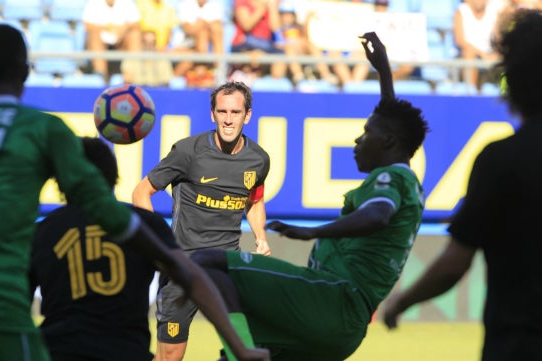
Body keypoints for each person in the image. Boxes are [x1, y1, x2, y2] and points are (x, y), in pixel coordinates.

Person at [0, 23, 251, 361]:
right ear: (25, 71)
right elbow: (97, 203)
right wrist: (164, 252)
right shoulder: (43, 130)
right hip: (2, 315)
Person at [192, 32, 429, 361]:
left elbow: (378, 215)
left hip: (331, 299)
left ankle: (241, 351)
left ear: (387, 141)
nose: (358, 141)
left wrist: (315, 231)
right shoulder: (408, 180)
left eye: (366, 134)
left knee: (206, 262)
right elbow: (392, 124)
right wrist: (384, 72)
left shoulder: (390, 178)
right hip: (342, 327)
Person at [383, 10, 542, 361]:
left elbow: (456, 263)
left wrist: (401, 301)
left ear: (510, 78)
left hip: (518, 344)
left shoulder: (501, 159)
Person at [29, 137, 271, 361]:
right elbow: (194, 279)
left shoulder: (44, 233)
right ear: (114, 178)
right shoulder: (142, 226)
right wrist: (239, 347)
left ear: (61, 181)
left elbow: (11, 307)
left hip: (58, 351)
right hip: (125, 351)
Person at [132, 80, 272, 361]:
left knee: (244, 349)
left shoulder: (258, 159)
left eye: (235, 113)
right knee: (170, 355)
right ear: (213, 114)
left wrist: (261, 237)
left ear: (247, 116)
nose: (228, 120)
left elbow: (254, 201)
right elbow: (141, 192)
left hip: (226, 268)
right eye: (222, 112)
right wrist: (159, 244)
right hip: (183, 266)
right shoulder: (188, 152)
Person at [82, 0, 141, 79]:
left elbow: (136, 23)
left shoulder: (126, 2)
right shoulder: (93, 3)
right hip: (101, 40)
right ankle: (101, 76)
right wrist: (106, 28)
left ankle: (131, 75)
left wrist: (123, 29)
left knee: (134, 35)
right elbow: (87, 26)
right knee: (94, 36)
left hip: (121, 41)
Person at [452, 0, 501, 90]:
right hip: (467, 53)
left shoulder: (494, 12)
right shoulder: (461, 12)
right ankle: (470, 93)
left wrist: (495, 53)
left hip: (489, 53)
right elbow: (460, 40)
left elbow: (498, 39)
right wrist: (482, 54)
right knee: (469, 54)